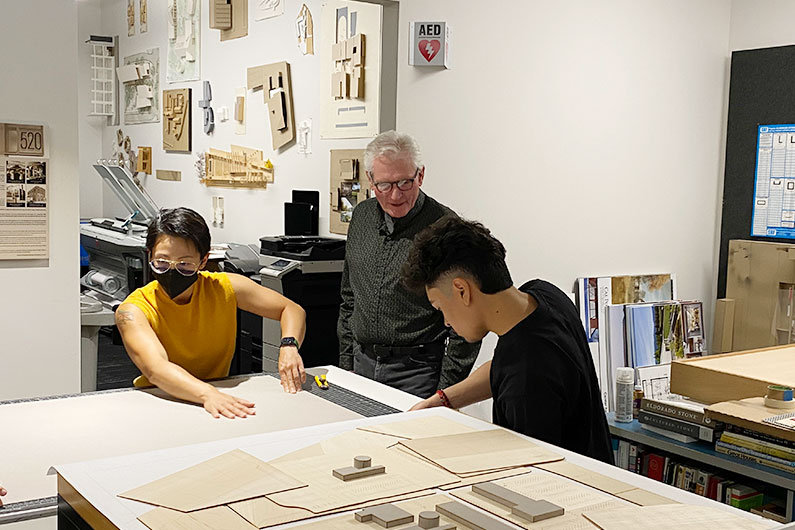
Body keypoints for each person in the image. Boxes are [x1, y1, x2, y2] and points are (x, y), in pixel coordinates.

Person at [402, 216, 613, 464]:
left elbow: (533, 481)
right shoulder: (545, 296)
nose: (446, 322)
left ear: (462, 290)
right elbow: (503, 366)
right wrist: (441, 401)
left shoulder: (526, 381)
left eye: (440, 308)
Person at [116, 207, 307, 419]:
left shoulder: (224, 288)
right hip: (159, 400)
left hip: (216, 397)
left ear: (204, 260)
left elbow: (290, 309)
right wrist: (208, 394)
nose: (172, 270)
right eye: (161, 262)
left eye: (185, 264)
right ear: (149, 255)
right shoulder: (133, 309)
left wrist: (289, 346)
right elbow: (156, 368)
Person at [337, 131, 480, 398]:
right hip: (361, 363)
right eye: (384, 185)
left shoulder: (445, 228)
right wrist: (347, 362)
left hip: (418, 371)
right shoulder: (362, 216)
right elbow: (349, 297)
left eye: (404, 183)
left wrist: (445, 391)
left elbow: (469, 318)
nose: (394, 195)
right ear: (370, 180)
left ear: (421, 175)